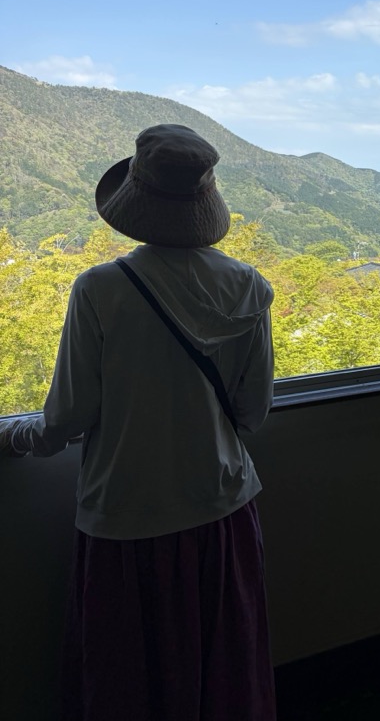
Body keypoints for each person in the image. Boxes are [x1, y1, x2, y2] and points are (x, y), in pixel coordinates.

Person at [0, 124, 276, 721]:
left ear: (135, 198)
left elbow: (64, 421)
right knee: (223, 672)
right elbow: (253, 413)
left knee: (131, 681)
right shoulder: (249, 286)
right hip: (225, 508)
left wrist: (9, 434)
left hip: (128, 516)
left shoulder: (100, 288)